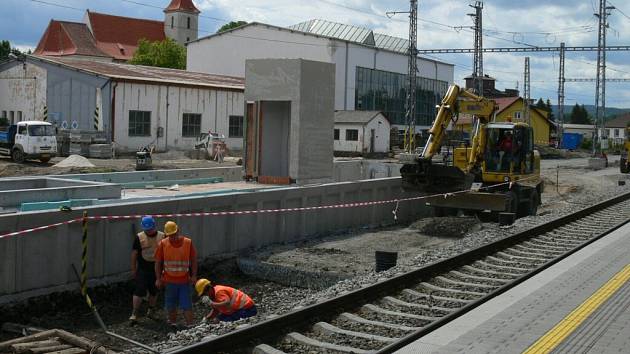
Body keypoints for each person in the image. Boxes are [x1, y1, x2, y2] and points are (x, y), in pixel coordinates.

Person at [154, 221, 197, 328]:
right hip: (169, 281)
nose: (172, 237)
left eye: (174, 234)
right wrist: (158, 279)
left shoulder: (188, 243)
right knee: (171, 304)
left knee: (186, 304)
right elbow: (158, 263)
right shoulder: (163, 244)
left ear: (178, 231)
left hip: (184, 281)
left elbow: (194, 260)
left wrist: (194, 276)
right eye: (170, 235)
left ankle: (190, 326)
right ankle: (173, 323)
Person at [129, 216, 164, 322]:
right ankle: (135, 313)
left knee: (154, 291)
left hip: (157, 269)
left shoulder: (162, 236)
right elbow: (134, 254)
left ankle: (151, 311)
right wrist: (134, 269)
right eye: (147, 229)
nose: (149, 231)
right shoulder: (139, 237)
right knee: (139, 291)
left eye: (150, 229)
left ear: (154, 226)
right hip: (143, 269)